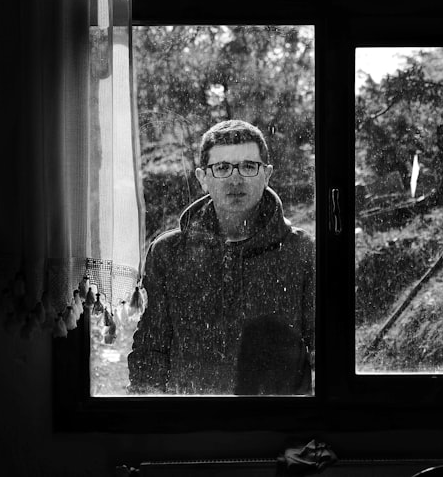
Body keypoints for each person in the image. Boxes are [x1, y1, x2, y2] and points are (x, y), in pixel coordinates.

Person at [127, 119, 315, 395]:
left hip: (278, 424)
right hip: (193, 422)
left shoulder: (302, 250)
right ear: (203, 178)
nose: (235, 178)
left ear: (267, 175)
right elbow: (150, 349)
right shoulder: (169, 253)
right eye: (222, 168)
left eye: (249, 166)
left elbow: (322, 346)